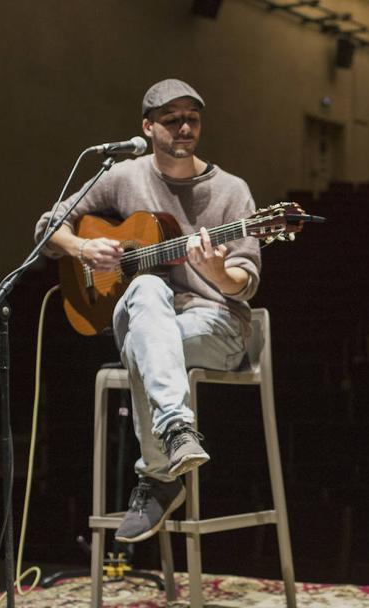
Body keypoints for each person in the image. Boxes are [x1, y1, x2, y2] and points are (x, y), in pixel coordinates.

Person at [34, 78, 261, 543]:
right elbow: (47, 226)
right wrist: (81, 248)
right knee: (145, 291)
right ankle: (176, 431)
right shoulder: (123, 176)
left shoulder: (233, 191)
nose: (184, 128)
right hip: (143, 314)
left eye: (192, 119)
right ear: (147, 126)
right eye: (172, 119)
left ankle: (159, 476)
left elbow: (245, 283)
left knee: (146, 335)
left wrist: (216, 273)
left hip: (214, 323)